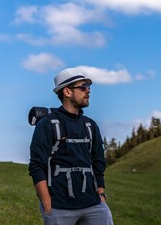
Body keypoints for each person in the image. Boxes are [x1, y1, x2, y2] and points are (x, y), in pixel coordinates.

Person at [29, 67, 113, 225]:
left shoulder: (91, 125)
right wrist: (47, 205)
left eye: (88, 87)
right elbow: (37, 165)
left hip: (94, 205)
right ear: (67, 92)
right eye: (83, 87)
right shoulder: (47, 124)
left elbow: (98, 162)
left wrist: (101, 195)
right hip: (59, 207)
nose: (88, 91)